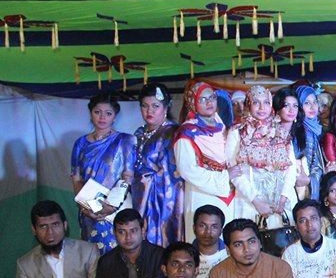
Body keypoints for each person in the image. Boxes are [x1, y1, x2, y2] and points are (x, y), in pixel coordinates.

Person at [70, 93, 136, 252]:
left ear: (114, 117)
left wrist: (110, 207)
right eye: (97, 112)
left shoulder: (125, 140)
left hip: (116, 209)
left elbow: (127, 176)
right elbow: (76, 178)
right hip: (88, 209)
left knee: (118, 255)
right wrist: (85, 206)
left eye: (108, 113)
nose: (102, 117)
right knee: (92, 255)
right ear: (90, 113)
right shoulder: (80, 143)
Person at [226, 85, 298, 229]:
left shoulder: (281, 131)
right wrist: (256, 201)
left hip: (281, 203)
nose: (261, 107)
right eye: (256, 102)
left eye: (266, 102)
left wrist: (283, 198)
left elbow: (291, 168)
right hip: (250, 203)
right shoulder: (237, 132)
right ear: (248, 104)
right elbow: (235, 172)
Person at [174, 81, 234, 243]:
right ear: (192, 103)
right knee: (204, 241)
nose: (209, 102)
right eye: (202, 99)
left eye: (212, 97)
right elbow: (187, 170)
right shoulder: (187, 132)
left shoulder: (222, 126)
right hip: (202, 193)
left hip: (228, 193)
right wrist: (225, 177)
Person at [132, 83, 184, 246]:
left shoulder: (173, 132)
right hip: (140, 197)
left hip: (165, 199)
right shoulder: (139, 134)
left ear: (166, 108)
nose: (150, 111)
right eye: (145, 106)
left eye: (155, 106)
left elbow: (175, 174)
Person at [292, 84, 325, 200]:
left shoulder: (316, 130)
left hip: (312, 185)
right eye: (306, 103)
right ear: (299, 106)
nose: (312, 107)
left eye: (315, 102)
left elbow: (318, 163)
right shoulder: (297, 131)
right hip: (299, 190)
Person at [192, 204, 228, 278]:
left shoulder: (231, 255)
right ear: (194, 228)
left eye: (214, 227)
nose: (208, 232)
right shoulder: (184, 257)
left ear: (221, 230)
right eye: (202, 226)